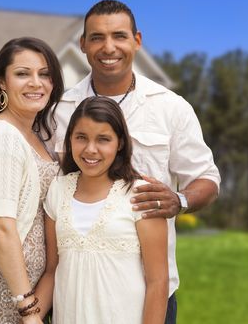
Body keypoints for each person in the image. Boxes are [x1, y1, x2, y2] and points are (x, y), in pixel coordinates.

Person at [0, 0, 221, 323]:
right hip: (70, 290)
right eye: (97, 37)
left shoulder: (171, 107)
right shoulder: (57, 109)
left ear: (137, 41)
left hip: (149, 293)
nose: (108, 47)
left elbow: (207, 178)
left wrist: (178, 200)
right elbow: (22, 176)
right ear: (83, 44)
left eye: (119, 36)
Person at [0, 37, 63, 324]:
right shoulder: (0, 135)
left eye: (44, 74)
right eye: (22, 74)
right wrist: (28, 310)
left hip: (29, 294)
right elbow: (1, 228)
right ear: (2, 82)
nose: (36, 83)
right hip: (0, 294)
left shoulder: (38, 136)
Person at [39, 96, 168, 323]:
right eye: (81, 138)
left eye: (103, 139)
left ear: (119, 143)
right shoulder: (58, 190)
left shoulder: (142, 195)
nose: (91, 149)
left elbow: (158, 282)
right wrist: (29, 317)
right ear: (70, 139)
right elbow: (52, 270)